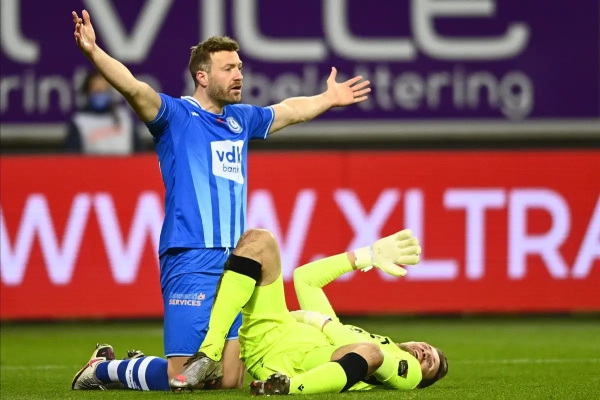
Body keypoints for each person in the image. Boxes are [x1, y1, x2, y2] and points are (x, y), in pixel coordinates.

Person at [70, 8, 371, 392]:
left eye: (239, 67)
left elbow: (289, 111)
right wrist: (94, 52)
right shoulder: (175, 116)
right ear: (203, 76)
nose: (238, 75)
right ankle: (102, 370)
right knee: (180, 376)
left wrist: (327, 98)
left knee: (228, 379)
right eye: (228, 68)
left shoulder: (239, 120)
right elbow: (133, 87)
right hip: (190, 254)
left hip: (234, 263)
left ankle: (133, 366)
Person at [170, 228, 448, 395]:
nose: (425, 353)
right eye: (428, 348)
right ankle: (209, 355)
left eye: (430, 362)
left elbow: (368, 353)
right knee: (260, 241)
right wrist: (367, 256)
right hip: (273, 333)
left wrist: (317, 320)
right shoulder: (349, 332)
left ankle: (285, 387)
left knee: (371, 353)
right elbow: (306, 279)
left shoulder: (408, 374)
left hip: (292, 369)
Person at [65, 70, 143, 155]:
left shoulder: (124, 117)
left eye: (104, 89)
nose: (100, 93)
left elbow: (140, 151)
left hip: (125, 163)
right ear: (88, 91)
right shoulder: (80, 122)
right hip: (93, 163)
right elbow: (73, 156)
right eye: (97, 90)